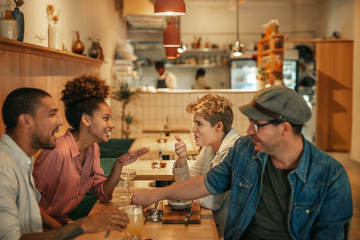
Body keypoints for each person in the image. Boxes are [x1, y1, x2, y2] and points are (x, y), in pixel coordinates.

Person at [132, 86, 353, 239]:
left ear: (285, 128)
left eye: (256, 125)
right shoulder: (245, 149)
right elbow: (206, 184)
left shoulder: (330, 177)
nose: (248, 131)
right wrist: (155, 195)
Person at [0, 88, 129, 240]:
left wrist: (68, 227)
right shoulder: (4, 168)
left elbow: (34, 206)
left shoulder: (22, 161)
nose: (60, 121)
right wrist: (82, 226)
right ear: (25, 121)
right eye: (51, 114)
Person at [32, 75, 149, 229]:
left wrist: (119, 164)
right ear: (86, 120)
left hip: (62, 225)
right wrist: (64, 231)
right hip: (40, 231)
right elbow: (31, 203)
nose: (111, 125)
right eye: (106, 118)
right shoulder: (57, 152)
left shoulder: (93, 149)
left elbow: (103, 194)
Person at [173, 94, 240, 237]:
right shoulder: (210, 147)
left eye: (199, 123)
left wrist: (186, 189)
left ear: (218, 126)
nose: (193, 129)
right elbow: (185, 183)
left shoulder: (232, 150)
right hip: (215, 224)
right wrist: (182, 158)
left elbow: (210, 202)